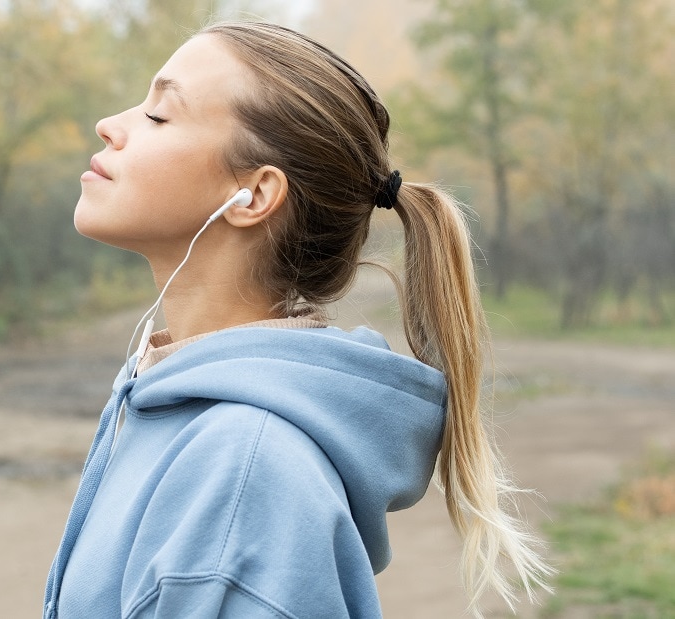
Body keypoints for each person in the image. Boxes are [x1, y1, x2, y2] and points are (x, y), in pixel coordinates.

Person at [43, 20, 552, 619]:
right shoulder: (173, 407)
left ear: (253, 196)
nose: (111, 124)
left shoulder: (243, 472)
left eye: (159, 114)